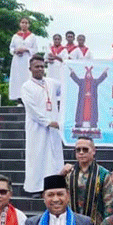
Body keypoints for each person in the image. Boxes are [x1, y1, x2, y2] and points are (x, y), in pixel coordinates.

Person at [21, 55, 64, 197]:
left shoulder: (51, 82)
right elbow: (32, 110)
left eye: (42, 66)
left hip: (53, 128)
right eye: (37, 66)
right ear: (30, 69)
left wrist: (67, 65)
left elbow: (66, 87)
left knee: (53, 157)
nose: (40, 69)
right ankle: (36, 188)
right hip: (37, 128)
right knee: (37, 156)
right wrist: (48, 122)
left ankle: (53, 186)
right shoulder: (26, 87)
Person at [60, 137, 113, 225]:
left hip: (95, 224)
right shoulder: (69, 173)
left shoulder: (103, 174)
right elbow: (57, 195)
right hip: (71, 223)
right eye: (78, 150)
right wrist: (61, 174)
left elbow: (108, 204)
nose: (81, 152)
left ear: (93, 151)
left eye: (85, 149)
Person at [9, 17, 39, 102]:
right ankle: (19, 99)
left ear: (28, 25)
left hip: (27, 60)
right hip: (17, 61)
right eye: (22, 22)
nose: (24, 24)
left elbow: (35, 49)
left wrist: (26, 50)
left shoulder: (32, 36)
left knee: (27, 77)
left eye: (26, 23)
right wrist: (16, 51)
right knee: (17, 79)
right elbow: (11, 48)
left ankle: (28, 98)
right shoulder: (15, 36)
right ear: (20, 24)